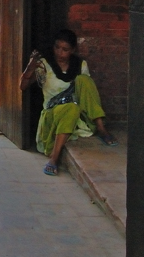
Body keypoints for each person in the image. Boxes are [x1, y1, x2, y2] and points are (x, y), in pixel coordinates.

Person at [20, 28, 116, 176]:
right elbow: (23, 87)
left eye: (65, 50)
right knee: (70, 108)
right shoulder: (45, 64)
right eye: (57, 47)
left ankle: (101, 128)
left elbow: (87, 92)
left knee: (84, 81)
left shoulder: (80, 65)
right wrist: (29, 69)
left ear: (72, 50)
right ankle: (54, 159)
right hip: (54, 114)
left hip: (78, 116)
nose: (60, 53)